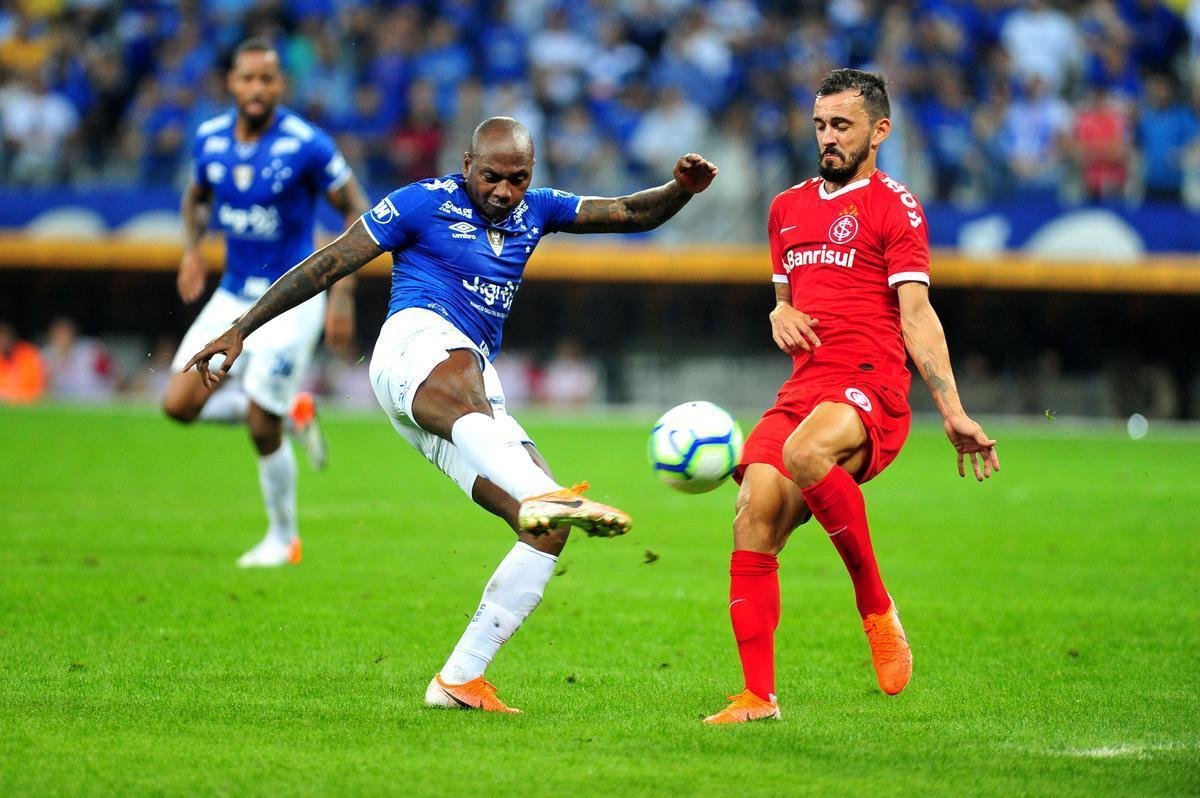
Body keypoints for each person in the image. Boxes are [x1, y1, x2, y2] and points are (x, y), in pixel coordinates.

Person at [186, 116, 717, 713]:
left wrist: (680, 190)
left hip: (466, 390)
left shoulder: (536, 210)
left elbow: (628, 213)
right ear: (467, 165)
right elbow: (332, 261)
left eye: (518, 180)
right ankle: (546, 494)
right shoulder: (420, 203)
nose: (503, 192)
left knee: (543, 528)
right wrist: (241, 328)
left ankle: (459, 680)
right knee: (490, 412)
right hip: (413, 348)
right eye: (491, 177)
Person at [703, 69, 1000, 725]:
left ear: (879, 131)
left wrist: (952, 410)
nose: (828, 138)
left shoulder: (896, 205)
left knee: (808, 452)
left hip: (870, 380)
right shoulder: (785, 208)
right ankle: (759, 698)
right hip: (804, 384)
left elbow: (917, 315)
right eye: (819, 126)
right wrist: (777, 314)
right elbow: (786, 302)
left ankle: (875, 606)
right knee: (753, 511)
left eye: (842, 125)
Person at [162, 38, 370, 569]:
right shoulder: (209, 138)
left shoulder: (308, 143)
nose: (257, 89)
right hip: (231, 292)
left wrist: (342, 292)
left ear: (281, 85)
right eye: (247, 78)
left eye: (267, 80)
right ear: (231, 82)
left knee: (259, 423)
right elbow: (196, 196)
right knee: (179, 406)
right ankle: (292, 412)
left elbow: (357, 210)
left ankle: (284, 539)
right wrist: (192, 250)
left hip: (291, 298)